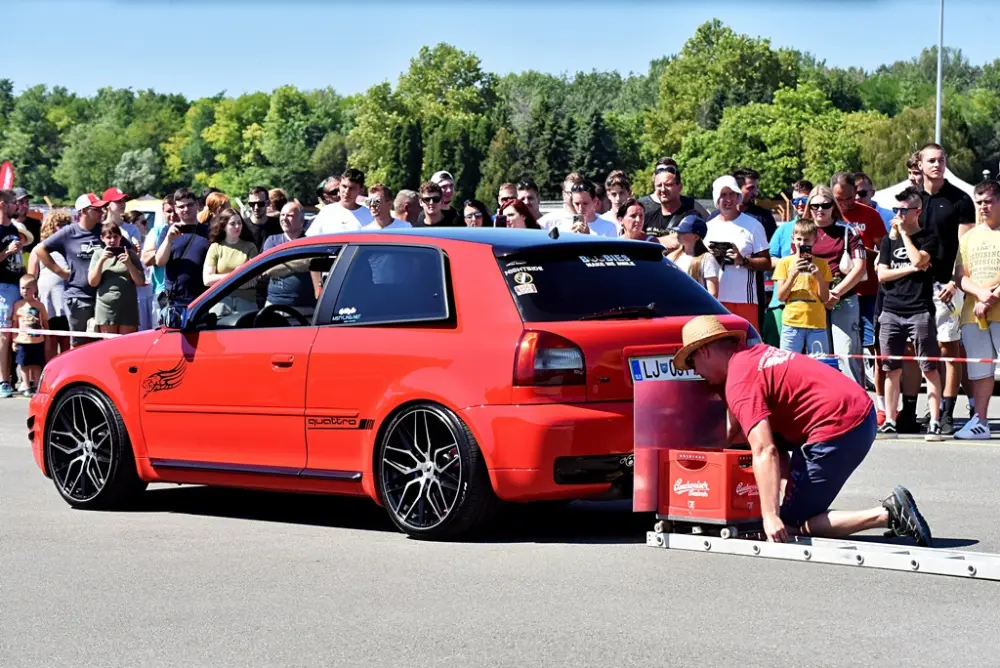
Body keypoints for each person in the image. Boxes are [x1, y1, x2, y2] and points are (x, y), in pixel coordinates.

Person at [672, 314, 932, 546]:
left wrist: (770, 515)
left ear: (704, 351)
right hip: (854, 411)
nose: (696, 372)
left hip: (840, 426)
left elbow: (765, 450)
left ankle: (887, 514)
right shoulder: (751, 358)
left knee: (792, 525)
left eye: (692, 364)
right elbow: (735, 433)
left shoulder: (740, 381)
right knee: (771, 435)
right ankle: (795, 500)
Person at [917, 143, 976, 435]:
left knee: (948, 347)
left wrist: (955, 282)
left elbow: (963, 249)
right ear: (920, 164)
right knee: (918, 349)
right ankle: (928, 410)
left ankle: (949, 412)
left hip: (946, 285)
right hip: (913, 287)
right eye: (931, 160)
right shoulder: (912, 199)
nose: (937, 165)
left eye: (941, 160)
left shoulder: (960, 200)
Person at [876, 186, 943, 441]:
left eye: (904, 210)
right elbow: (882, 275)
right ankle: (891, 419)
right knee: (891, 368)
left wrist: (904, 236)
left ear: (917, 211)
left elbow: (919, 259)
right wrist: (913, 270)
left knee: (928, 367)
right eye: (896, 210)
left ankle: (935, 420)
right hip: (891, 310)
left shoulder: (928, 237)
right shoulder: (887, 241)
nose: (899, 215)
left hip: (919, 310)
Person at [953, 180, 1000, 440]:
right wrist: (980, 294)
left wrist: (991, 296)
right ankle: (980, 421)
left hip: (995, 309)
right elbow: (961, 275)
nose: (983, 206)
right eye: (979, 202)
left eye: (989, 201)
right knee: (980, 372)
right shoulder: (969, 237)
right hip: (975, 314)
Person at [806, 185, 866, 384]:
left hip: (844, 298)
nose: (820, 209)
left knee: (846, 353)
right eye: (815, 206)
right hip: (813, 301)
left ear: (833, 206)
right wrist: (822, 294)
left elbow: (859, 268)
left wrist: (836, 293)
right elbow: (797, 264)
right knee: (818, 356)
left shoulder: (848, 231)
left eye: (825, 205)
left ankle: (857, 406)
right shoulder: (802, 231)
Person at [35, 193, 112, 348]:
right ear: (83, 211)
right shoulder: (69, 232)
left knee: (103, 344)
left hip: (104, 295)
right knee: (78, 345)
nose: (101, 212)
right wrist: (61, 272)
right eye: (96, 209)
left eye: (102, 208)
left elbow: (125, 249)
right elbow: (40, 249)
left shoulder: (104, 230)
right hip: (78, 297)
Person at [703, 176, 770, 330]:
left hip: (744, 299)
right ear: (716, 198)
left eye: (732, 194)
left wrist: (743, 260)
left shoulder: (753, 225)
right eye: (723, 195)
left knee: (747, 345)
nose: (728, 199)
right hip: (715, 299)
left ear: (738, 196)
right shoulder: (708, 227)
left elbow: (766, 262)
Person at [763, 180, 813, 347]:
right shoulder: (784, 229)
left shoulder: (820, 227)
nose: (799, 205)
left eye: (804, 201)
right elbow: (769, 259)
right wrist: (791, 262)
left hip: (812, 302)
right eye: (795, 201)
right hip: (783, 301)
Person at [772, 218, 832, 354]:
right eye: (799, 239)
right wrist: (792, 274)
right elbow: (781, 297)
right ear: (793, 239)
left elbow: (825, 298)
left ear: (814, 240)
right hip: (792, 323)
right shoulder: (784, 263)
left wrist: (819, 276)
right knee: (789, 363)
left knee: (819, 364)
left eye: (806, 240)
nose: (802, 243)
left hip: (816, 323)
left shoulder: (822, 264)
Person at [153, 188, 210, 315]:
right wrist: (168, 239)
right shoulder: (167, 230)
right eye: (181, 206)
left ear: (196, 205)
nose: (186, 209)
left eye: (189, 205)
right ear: (176, 209)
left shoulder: (209, 231)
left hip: (202, 298)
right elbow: (159, 261)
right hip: (174, 300)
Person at [88, 221, 146, 335]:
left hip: (128, 307)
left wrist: (129, 264)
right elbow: (92, 282)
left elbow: (140, 282)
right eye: (108, 237)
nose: (112, 240)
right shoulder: (98, 254)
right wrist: (101, 261)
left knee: (127, 346)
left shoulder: (130, 254)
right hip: (106, 306)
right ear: (102, 238)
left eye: (115, 236)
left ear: (120, 237)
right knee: (108, 346)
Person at [28, 210, 71, 360]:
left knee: (67, 339)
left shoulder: (69, 247)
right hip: (47, 301)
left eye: (66, 224)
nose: (63, 228)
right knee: (50, 340)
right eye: (59, 225)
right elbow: (32, 276)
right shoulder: (39, 248)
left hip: (66, 300)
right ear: (50, 227)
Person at [262, 202, 316, 313]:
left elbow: (311, 263)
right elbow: (269, 270)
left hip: (304, 307)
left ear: (301, 220)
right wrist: (301, 263)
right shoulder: (272, 241)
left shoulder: (310, 242)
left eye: (289, 215)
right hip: (274, 305)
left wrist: (282, 263)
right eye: (282, 215)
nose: (284, 219)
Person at [203, 209, 258, 315]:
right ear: (223, 227)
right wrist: (236, 274)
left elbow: (253, 280)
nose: (237, 226)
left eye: (239, 223)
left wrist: (220, 280)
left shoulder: (250, 247)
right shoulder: (215, 247)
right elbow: (207, 280)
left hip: (246, 302)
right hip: (220, 302)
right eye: (232, 224)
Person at [666, 213, 720, 298]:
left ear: (696, 237)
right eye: (678, 231)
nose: (678, 234)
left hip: (696, 309)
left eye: (683, 232)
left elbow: (713, 294)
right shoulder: (672, 257)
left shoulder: (707, 259)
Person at [307, 168, 375, 235]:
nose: (346, 191)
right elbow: (310, 240)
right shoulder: (326, 212)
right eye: (344, 186)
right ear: (339, 186)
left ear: (361, 191)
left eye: (352, 188)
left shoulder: (369, 215)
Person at [11, 274, 47, 396]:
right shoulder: (18, 305)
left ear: (35, 290)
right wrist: (14, 340)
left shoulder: (40, 305)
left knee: (37, 364)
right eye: (23, 288)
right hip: (23, 341)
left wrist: (47, 336)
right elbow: (15, 323)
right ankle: (26, 384)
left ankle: (37, 385)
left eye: (28, 288)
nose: (25, 291)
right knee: (24, 364)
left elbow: (45, 321)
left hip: (37, 341)